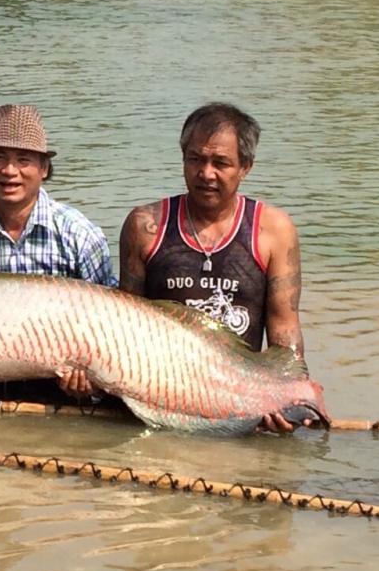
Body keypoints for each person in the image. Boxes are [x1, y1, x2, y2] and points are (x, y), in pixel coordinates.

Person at [118, 102, 306, 432]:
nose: (206, 173)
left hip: (237, 397)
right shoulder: (145, 226)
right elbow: (122, 327)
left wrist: (291, 397)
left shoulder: (274, 230)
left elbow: (284, 332)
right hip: (157, 397)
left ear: (245, 166)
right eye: (196, 159)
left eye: (221, 163)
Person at [0, 103, 116, 399]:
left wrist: (90, 378)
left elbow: (112, 327)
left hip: (60, 391)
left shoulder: (80, 236)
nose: (10, 171)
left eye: (23, 160)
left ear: (44, 168)